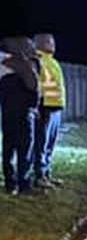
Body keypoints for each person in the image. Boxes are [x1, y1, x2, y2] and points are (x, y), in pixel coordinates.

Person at [1, 37, 42, 195]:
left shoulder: (3, 64)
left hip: (7, 113)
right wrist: (34, 106)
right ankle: (24, 183)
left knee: (8, 148)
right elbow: (33, 88)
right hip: (24, 113)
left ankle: (10, 184)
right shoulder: (27, 65)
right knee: (25, 149)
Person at [33, 33, 66, 187]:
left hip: (55, 108)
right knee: (42, 142)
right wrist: (37, 106)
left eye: (52, 41)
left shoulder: (52, 62)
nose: (52, 44)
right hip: (45, 107)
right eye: (48, 41)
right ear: (38, 44)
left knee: (50, 143)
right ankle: (39, 175)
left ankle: (47, 173)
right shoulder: (37, 61)